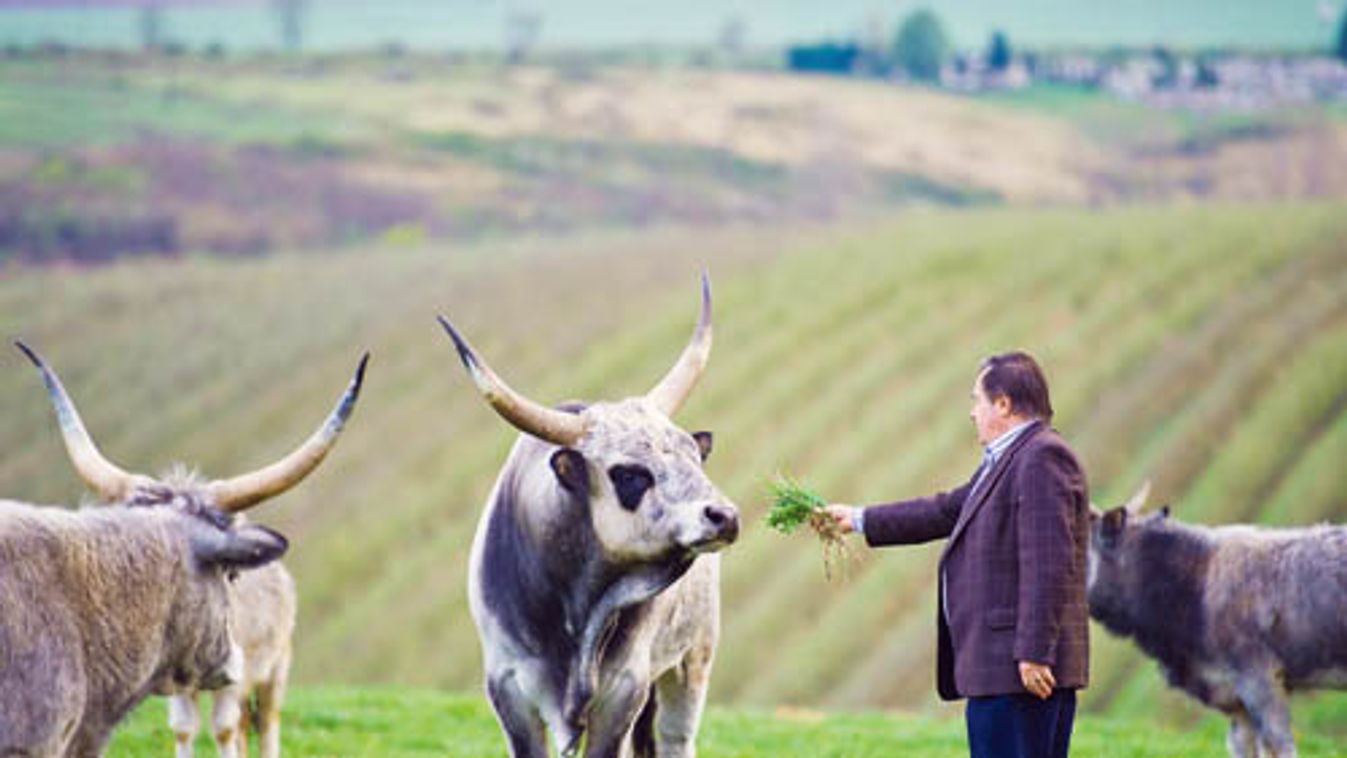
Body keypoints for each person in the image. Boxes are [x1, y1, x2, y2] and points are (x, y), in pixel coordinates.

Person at [825, 351, 1089, 758]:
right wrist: (858, 519)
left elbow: (1049, 563)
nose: (972, 413)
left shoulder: (1040, 458)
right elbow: (944, 509)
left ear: (1003, 404)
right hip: (1002, 671)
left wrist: (1035, 652)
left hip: (1020, 672)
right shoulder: (1009, 460)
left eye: (976, 400)